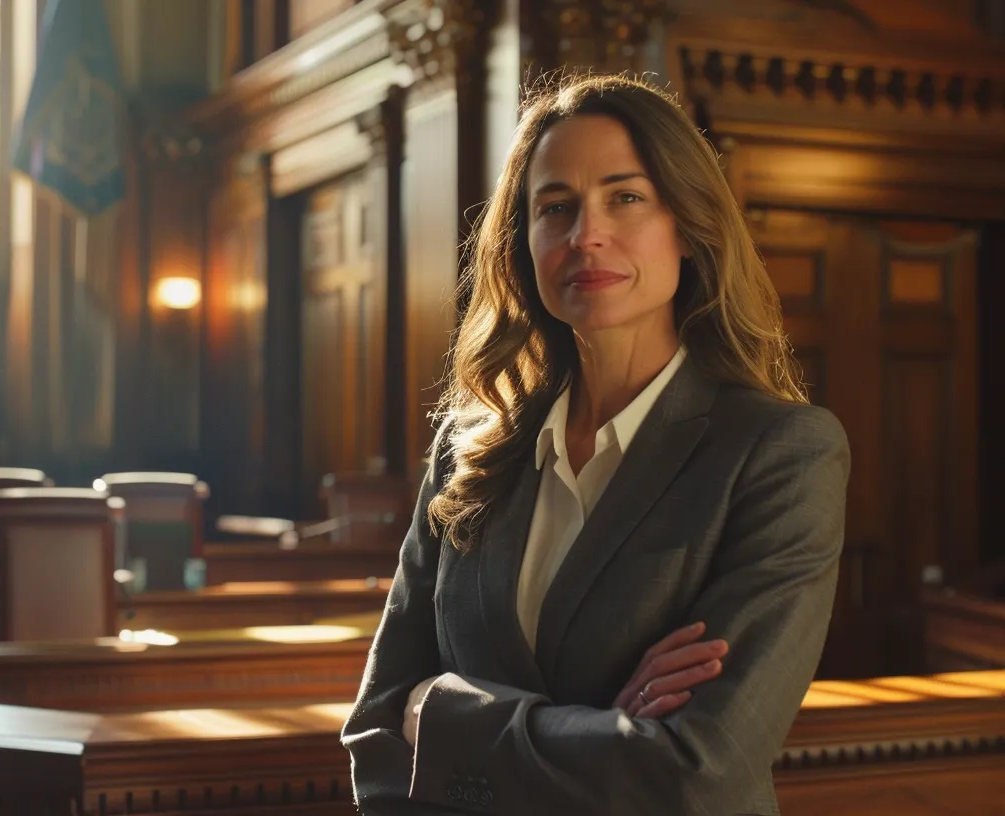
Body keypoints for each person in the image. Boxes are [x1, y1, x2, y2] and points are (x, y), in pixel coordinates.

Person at [340, 73, 850, 815]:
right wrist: (603, 730)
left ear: (688, 224)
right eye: (556, 208)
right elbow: (380, 730)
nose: (587, 234)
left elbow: (696, 767)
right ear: (525, 243)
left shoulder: (780, 453)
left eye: (626, 196)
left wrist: (444, 716)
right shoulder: (467, 449)